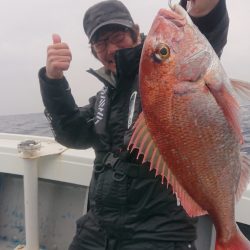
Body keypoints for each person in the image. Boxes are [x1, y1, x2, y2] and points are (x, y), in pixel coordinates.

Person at [38, 0, 229, 249]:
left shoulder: (166, 68)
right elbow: (70, 134)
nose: (111, 50)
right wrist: (53, 81)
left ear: (136, 33)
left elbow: (198, 39)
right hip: (97, 231)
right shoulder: (104, 98)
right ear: (93, 51)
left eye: (118, 37)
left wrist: (203, 9)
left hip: (157, 235)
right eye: (100, 43)